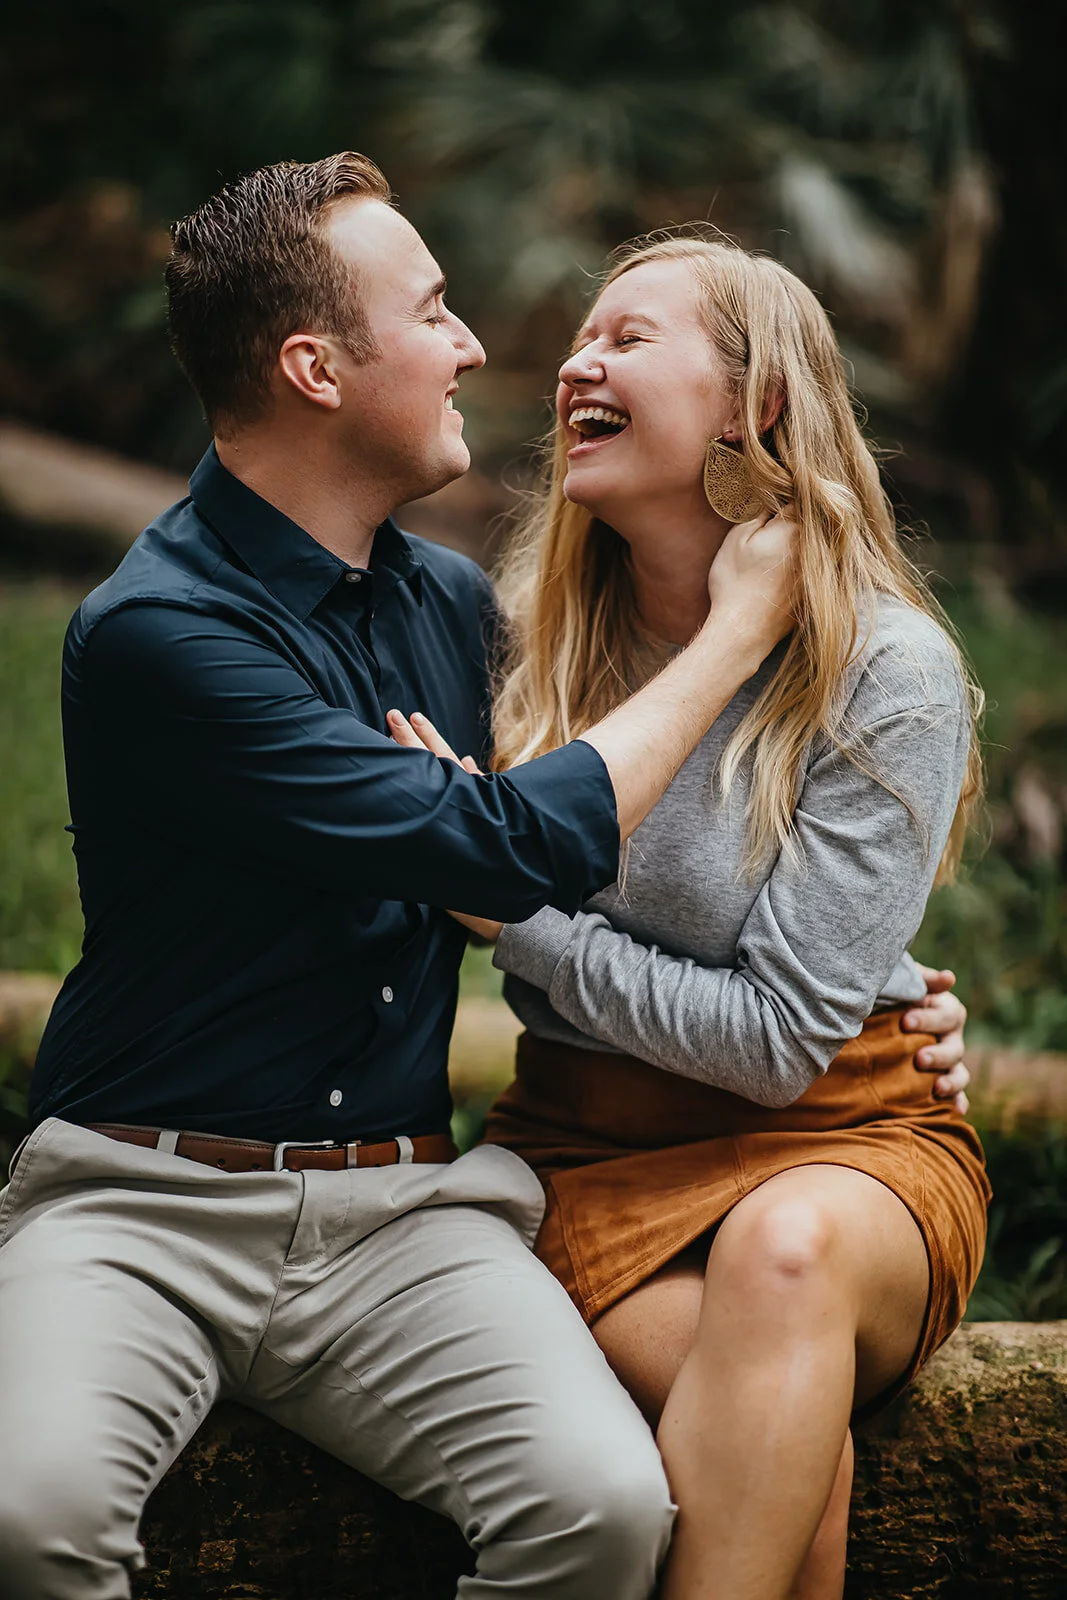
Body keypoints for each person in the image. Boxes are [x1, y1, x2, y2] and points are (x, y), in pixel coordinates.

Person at [0, 156, 802, 1600]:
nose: (473, 346)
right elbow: (512, 847)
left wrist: (872, 988)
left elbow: (597, 843)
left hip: (401, 1218)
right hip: (138, 1208)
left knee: (602, 1508)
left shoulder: (449, 604)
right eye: (431, 312)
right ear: (316, 369)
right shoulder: (160, 636)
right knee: (28, 1519)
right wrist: (737, 633)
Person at [394, 230, 988, 1600]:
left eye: (627, 338)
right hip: (588, 1148)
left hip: (847, 1141)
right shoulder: (522, 642)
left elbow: (779, 1045)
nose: (574, 365)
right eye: (578, 339)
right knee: (793, 1473)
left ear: (751, 405)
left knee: (785, 1252)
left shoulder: (880, 667)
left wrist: (508, 914)